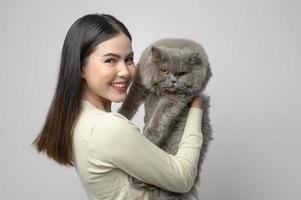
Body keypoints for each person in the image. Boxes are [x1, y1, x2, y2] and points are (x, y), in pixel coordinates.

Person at [32, 13, 204, 200]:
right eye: (110, 60)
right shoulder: (107, 127)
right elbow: (183, 178)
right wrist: (196, 107)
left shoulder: (79, 119)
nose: (124, 71)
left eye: (129, 59)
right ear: (81, 67)